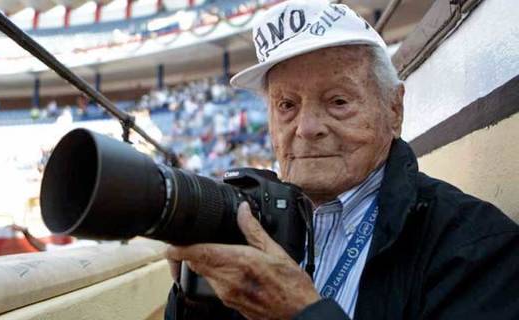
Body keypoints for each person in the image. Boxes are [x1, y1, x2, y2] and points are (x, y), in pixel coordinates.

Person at [164, 0, 519, 319]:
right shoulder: (251, 220)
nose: (306, 128)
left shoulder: (475, 246)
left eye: (338, 101)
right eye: (287, 105)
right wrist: (194, 304)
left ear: (394, 109)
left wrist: (301, 314)